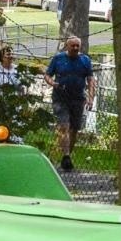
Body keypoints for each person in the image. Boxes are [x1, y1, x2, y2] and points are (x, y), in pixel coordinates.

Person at [44, 35, 95, 172]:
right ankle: (66, 156)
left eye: (77, 46)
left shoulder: (85, 60)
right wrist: (53, 83)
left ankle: (67, 157)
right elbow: (47, 75)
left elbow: (90, 80)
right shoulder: (58, 59)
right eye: (73, 46)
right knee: (64, 126)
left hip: (78, 98)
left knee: (74, 129)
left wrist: (90, 98)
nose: (75, 48)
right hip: (60, 98)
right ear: (67, 46)